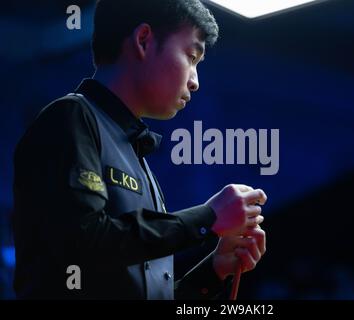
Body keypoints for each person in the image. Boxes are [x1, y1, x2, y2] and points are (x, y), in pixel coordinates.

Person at [12, 0, 267, 300]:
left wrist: (214, 270)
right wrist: (207, 218)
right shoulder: (71, 118)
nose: (196, 82)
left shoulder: (135, 156)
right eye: (191, 56)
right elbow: (82, 243)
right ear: (144, 40)